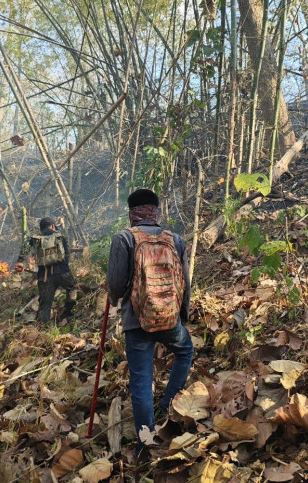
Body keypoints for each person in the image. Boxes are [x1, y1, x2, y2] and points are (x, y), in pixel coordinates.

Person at [107, 189, 193, 456]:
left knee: (141, 380)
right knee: (185, 351)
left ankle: (145, 442)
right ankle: (168, 406)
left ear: (132, 212)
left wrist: (113, 297)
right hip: (170, 319)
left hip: (137, 322)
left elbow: (116, 284)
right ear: (156, 211)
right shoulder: (175, 240)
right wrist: (182, 316)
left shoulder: (123, 238)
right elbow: (185, 283)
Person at [15, 217, 77, 324]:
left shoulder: (35, 239)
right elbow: (67, 254)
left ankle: (42, 327)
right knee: (73, 288)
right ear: (52, 226)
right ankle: (68, 313)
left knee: (45, 304)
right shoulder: (60, 236)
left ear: (41, 228)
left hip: (44, 276)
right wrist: (65, 268)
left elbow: (25, 247)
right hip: (63, 273)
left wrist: (20, 261)